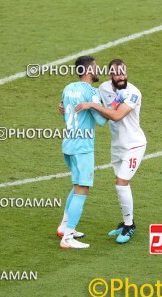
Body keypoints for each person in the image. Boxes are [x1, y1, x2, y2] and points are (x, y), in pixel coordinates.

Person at [73, 59, 146, 244]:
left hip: (134, 145)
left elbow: (116, 115)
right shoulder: (104, 88)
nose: (122, 77)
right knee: (120, 184)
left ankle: (129, 227)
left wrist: (93, 106)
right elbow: (88, 95)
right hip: (117, 146)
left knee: (121, 183)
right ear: (110, 75)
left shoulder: (133, 93)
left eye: (124, 72)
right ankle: (127, 221)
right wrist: (65, 103)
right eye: (117, 73)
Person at [57, 56, 107, 249]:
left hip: (68, 144)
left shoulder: (68, 88)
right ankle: (68, 237)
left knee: (77, 184)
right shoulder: (91, 92)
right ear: (88, 71)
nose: (98, 69)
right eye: (96, 67)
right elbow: (102, 121)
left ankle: (64, 226)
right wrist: (109, 108)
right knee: (82, 188)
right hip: (83, 147)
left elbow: (64, 113)